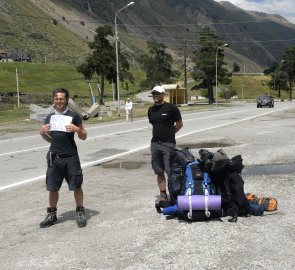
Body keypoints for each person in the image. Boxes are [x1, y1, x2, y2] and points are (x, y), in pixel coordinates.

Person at [39, 88, 87, 228]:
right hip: (55, 157)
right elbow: (51, 140)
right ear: (53, 100)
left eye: (61, 98)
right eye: (56, 98)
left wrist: (77, 129)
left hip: (71, 157)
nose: (59, 101)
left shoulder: (74, 116)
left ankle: (80, 211)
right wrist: (42, 133)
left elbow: (84, 136)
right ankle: (52, 214)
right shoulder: (49, 117)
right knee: (52, 188)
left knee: (76, 185)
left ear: (66, 100)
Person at [148, 85, 183, 202]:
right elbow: (154, 124)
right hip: (155, 144)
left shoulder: (171, 108)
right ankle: (163, 194)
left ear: (163, 95)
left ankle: (174, 194)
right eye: (154, 94)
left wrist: (170, 134)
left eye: (158, 94)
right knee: (159, 171)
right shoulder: (151, 110)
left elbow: (179, 124)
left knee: (171, 171)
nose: (155, 96)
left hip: (168, 144)